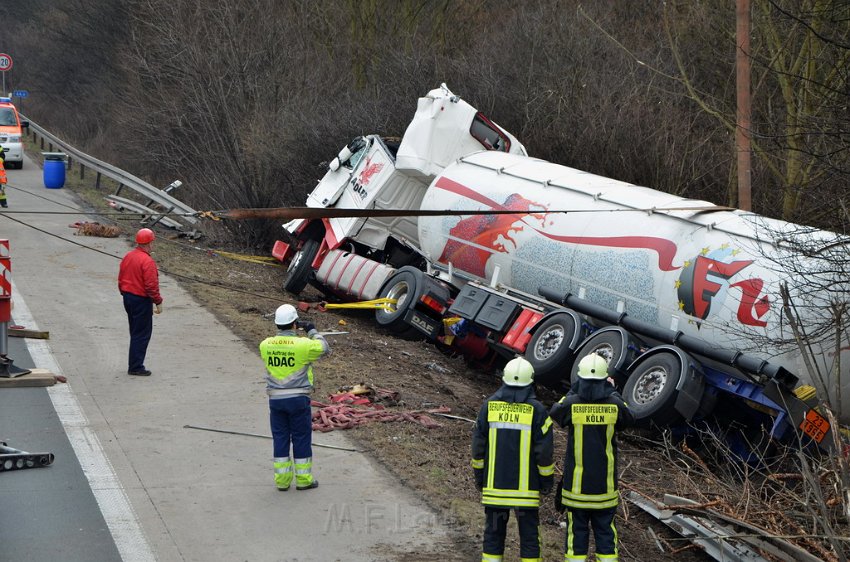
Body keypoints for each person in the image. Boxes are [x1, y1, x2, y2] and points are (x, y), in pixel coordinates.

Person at [549, 352, 635, 562]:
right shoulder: (614, 405)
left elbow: (556, 411)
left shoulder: (571, 404)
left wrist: (575, 389)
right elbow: (630, 417)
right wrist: (612, 390)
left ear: (581, 379)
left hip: (576, 489)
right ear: (605, 378)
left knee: (576, 535)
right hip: (604, 489)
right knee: (606, 534)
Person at [471, 357, 554, 562]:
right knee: (529, 538)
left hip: (495, 487)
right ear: (530, 381)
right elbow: (544, 453)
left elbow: (478, 448)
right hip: (526, 491)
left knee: (493, 535)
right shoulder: (538, 411)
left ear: (504, 379)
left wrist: (480, 477)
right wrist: (546, 482)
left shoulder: (489, 406)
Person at [260, 304, 330, 491]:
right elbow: (324, 348)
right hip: (298, 399)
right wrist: (312, 330)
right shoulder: (304, 345)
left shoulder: (265, 345)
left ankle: (282, 482)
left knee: (280, 438)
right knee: (300, 438)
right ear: (294, 324)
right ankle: (304, 480)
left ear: (277, 324)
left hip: (275, 400)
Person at [118, 228, 162, 376]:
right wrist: (157, 301)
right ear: (149, 243)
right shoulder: (147, 261)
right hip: (141, 300)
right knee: (142, 334)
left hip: (128, 297)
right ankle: (136, 366)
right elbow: (151, 285)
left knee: (135, 331)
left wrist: (123, 292)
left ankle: (134, 363)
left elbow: (121, 277)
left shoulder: (128, 256)